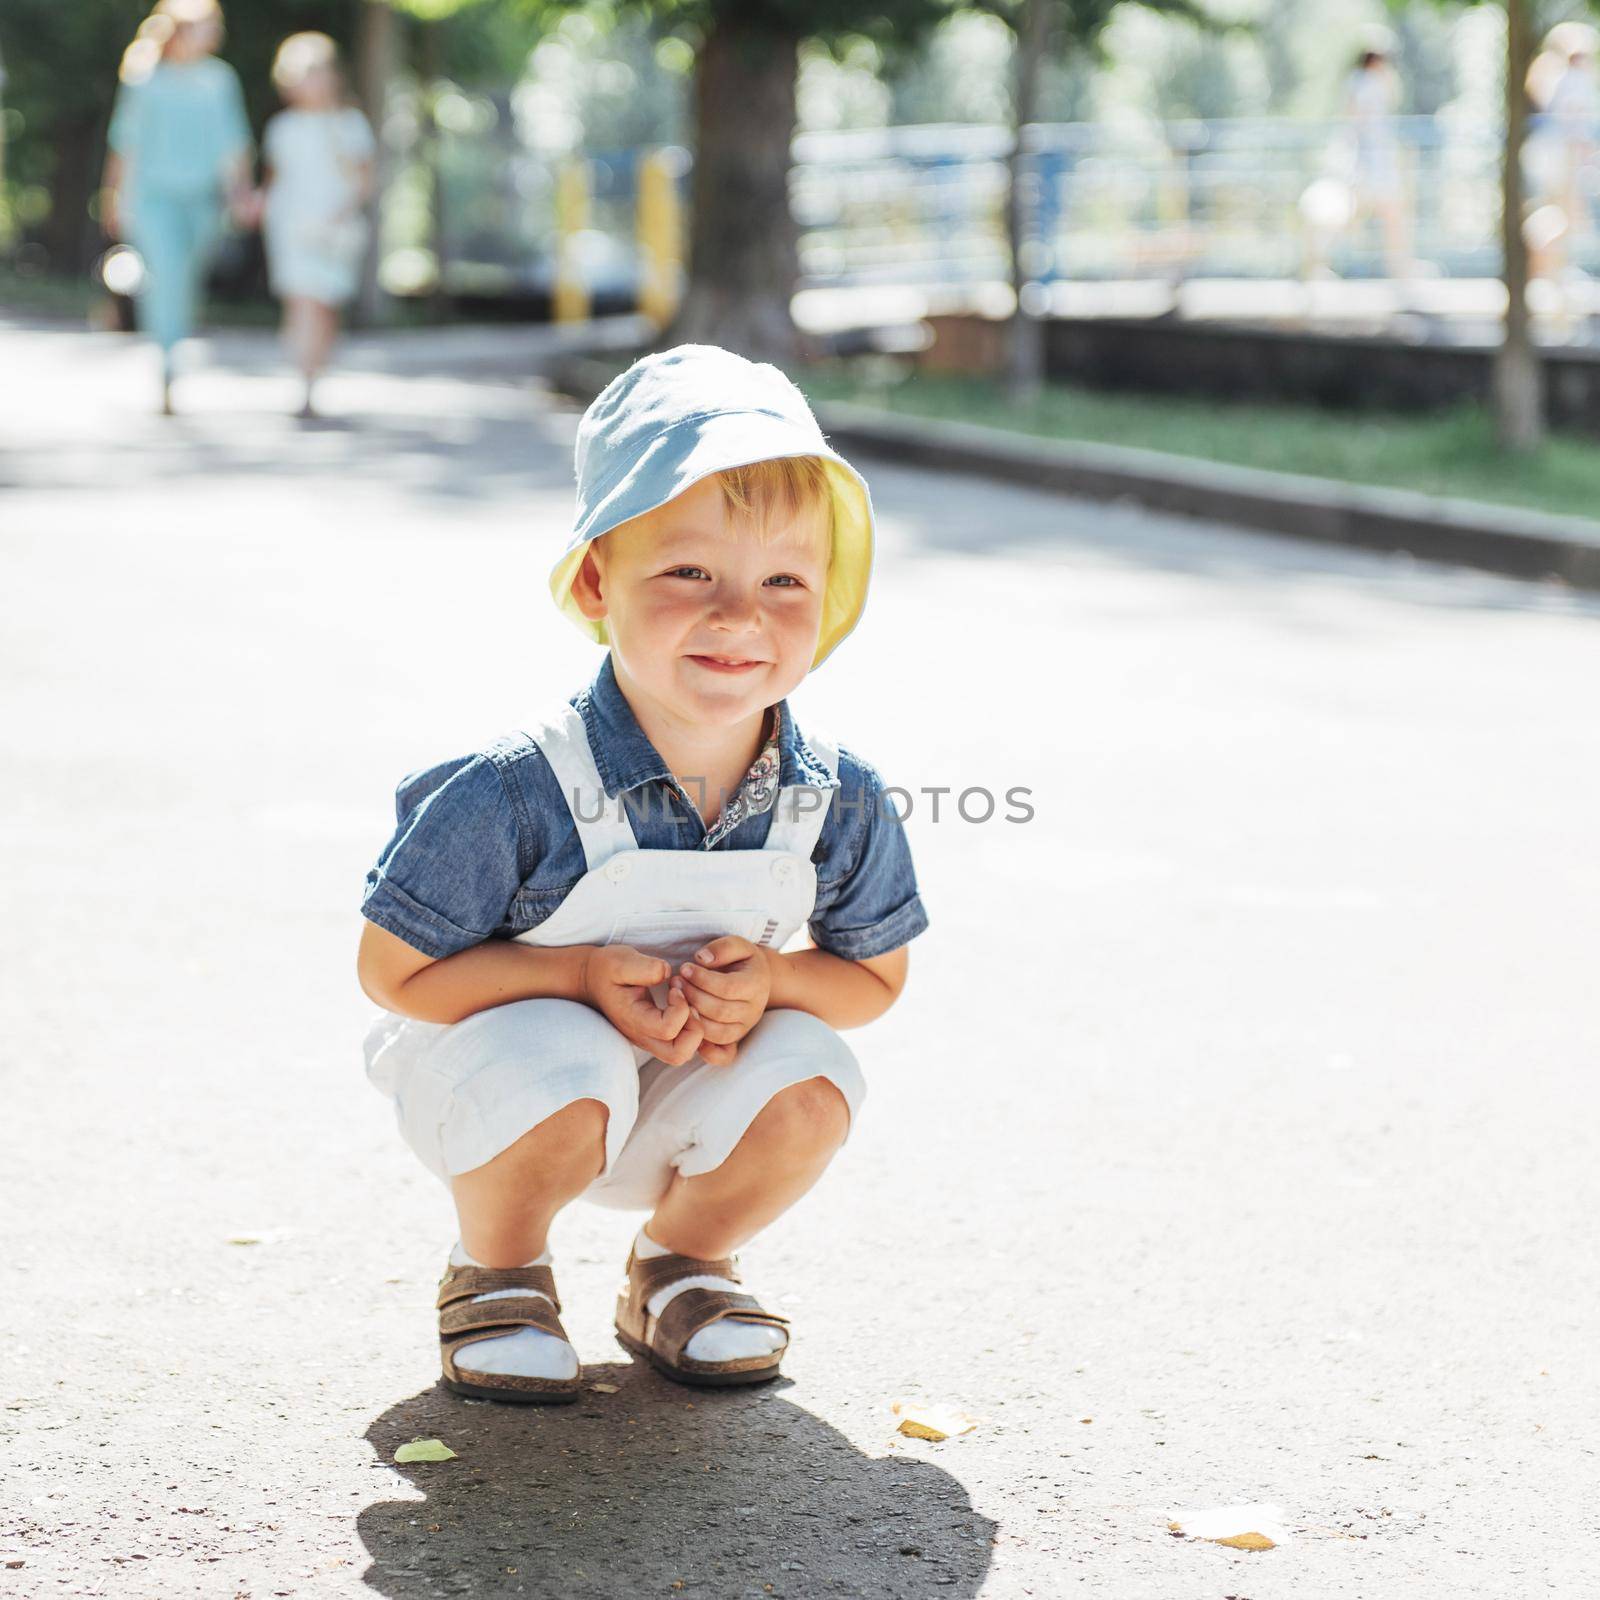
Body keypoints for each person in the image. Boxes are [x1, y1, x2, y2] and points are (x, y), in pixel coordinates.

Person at [356, 344, 928, 1403]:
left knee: (810, 1082)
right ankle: (500, 1268)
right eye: (688, 572)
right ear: (594, 578)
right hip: (511, 1093)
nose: (738, 615)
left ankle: (680, 1267)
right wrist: (575, 976)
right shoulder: (516, 786)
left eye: (784, 581)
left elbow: (875, 980)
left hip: (683, 1090)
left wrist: (777, 980)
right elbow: (394, 974)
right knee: (564, 1061)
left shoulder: (834, 795)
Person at [100, 0, 254, 415]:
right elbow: (125, 143)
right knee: (166, 275)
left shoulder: (220, 80)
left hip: (202, 201)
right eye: (208, 26)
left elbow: (234, 144)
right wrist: (112, 195)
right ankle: (167, 365)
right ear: (182, 30)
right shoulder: (146, 79)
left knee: (184, 280)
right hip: (154, 200)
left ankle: (173, 345)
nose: (215, 34)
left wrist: (241, 193)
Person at [259, 32, 376, 419]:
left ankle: (315, 375)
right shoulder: (282, 128)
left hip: (334, 228)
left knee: (325, 305)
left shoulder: (349, 124)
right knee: (301, 300)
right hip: (291, 225)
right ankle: (304, 381)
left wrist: (338, 214)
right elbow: (274, 180)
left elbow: (364, 179)